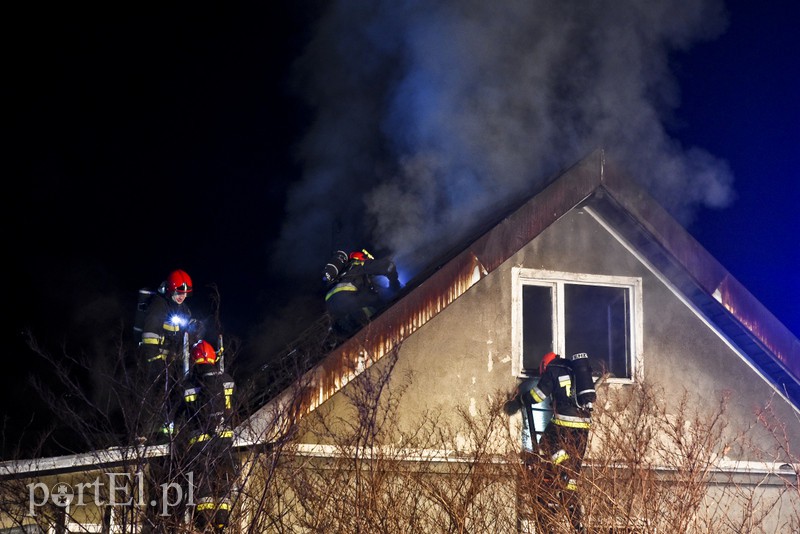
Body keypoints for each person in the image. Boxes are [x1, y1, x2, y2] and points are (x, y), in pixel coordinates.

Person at [517, 352, 596, 533]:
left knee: (546, 442)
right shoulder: (574, 370)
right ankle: (573, 507)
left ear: (544, 365)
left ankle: (562, 472)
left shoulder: (553, 369)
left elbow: (538, 396)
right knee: (574, 468)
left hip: (564, 421)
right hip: (584, 425)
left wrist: (523, 398)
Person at [138, 269, 200, 443]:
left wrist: (195, 329)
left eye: (185, 293)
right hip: (158, 360)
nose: (182, 296)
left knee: (174, 396)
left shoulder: (184, 309)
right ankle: (144, 434)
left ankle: (166, 432)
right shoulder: (159, 305)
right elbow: (150, 334)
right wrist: (154, 359)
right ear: (171, 289)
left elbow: (184, 334)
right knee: (156, 396)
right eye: (179, 292)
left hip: (173, 362)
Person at [181, 339, 237, 533]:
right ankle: (221, 523)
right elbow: (233, 406)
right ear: (214, 358)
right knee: (223, 479)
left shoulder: (189, 385)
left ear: (193, 360)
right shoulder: (228, 380)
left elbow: (182, 412)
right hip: (224, 438)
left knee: (202, 480)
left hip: (200, 441)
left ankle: (204, 524)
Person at [323, 249, 401, 338]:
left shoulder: (342, 274)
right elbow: (387, 266)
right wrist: (395, 284)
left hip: (331, 305)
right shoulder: (359, 264)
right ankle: (389, 324)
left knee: (354, 328)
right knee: (381, 302)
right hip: (349, 297)